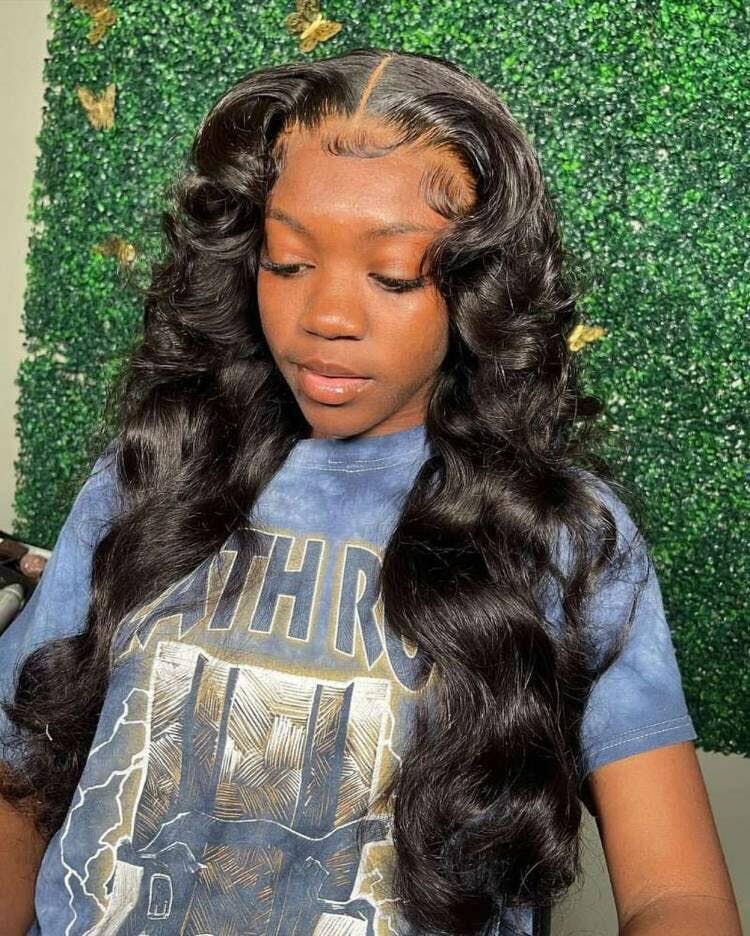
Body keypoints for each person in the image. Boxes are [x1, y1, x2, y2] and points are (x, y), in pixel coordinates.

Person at [0, 47, 740, 936]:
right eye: (287, 263)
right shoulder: (152, 470)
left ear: (476, 287)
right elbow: (20, 779)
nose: (327, 318)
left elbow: (676, 894)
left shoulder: (560, 535)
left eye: (391, 275)